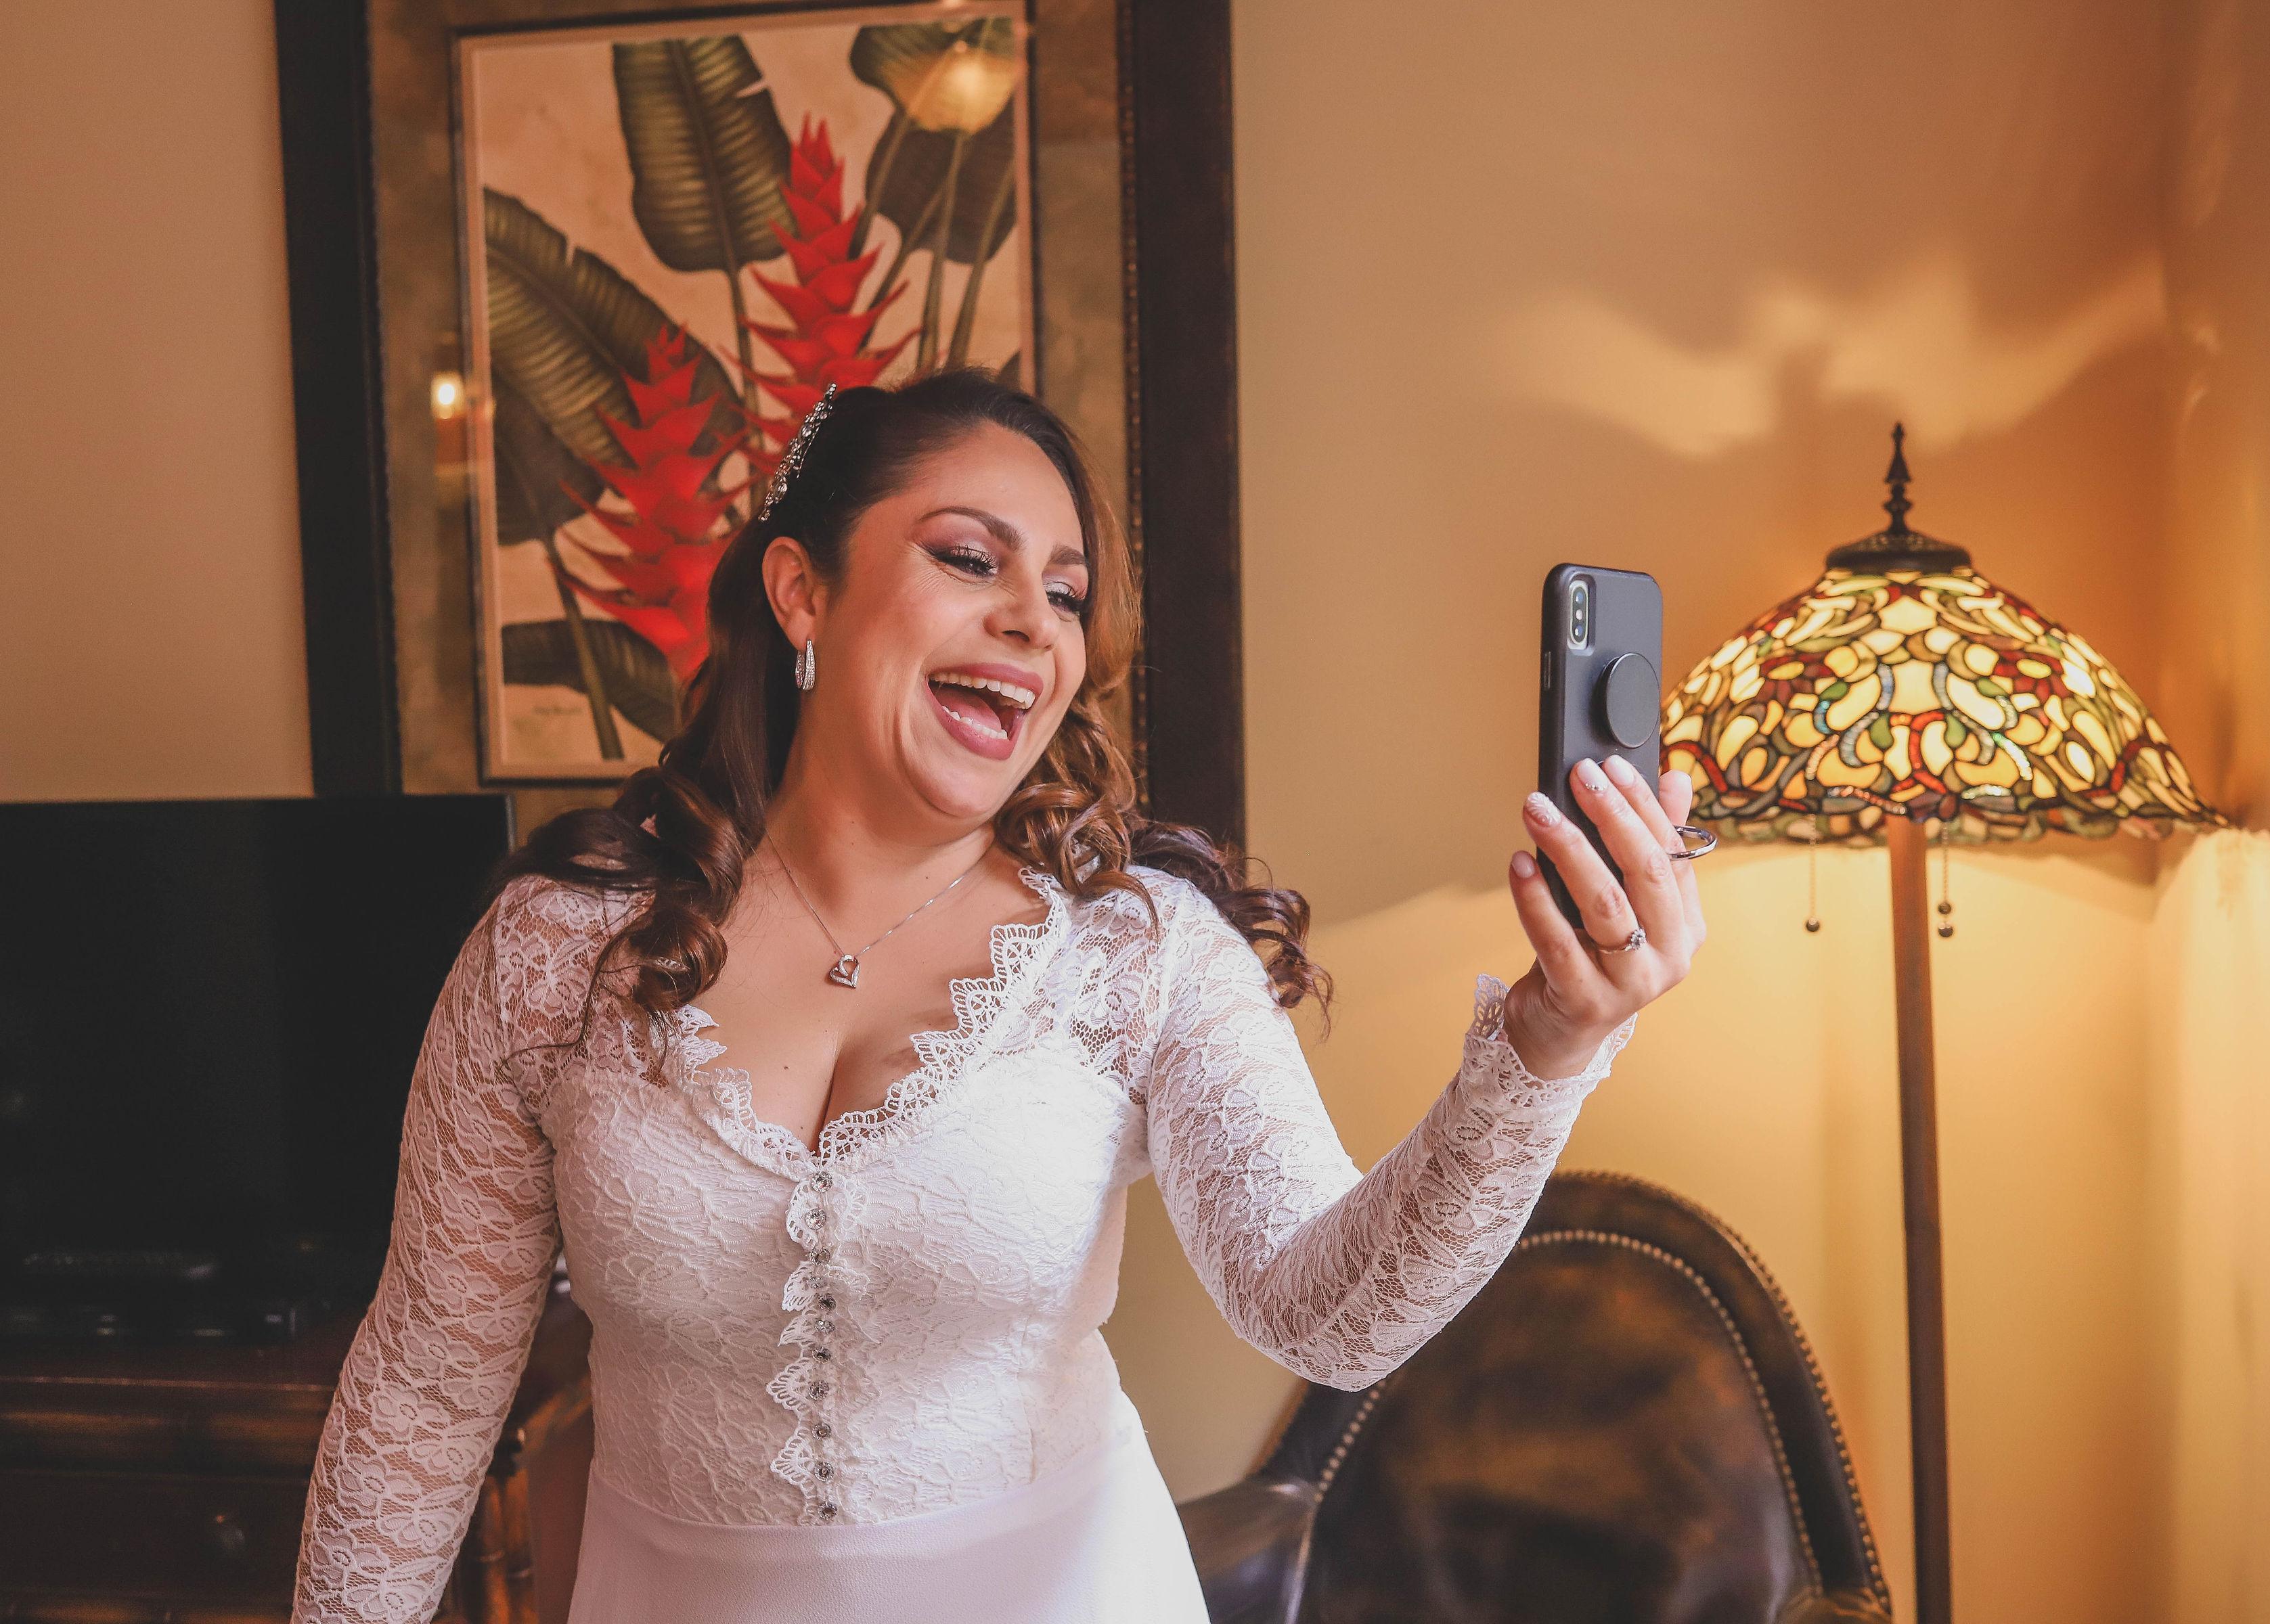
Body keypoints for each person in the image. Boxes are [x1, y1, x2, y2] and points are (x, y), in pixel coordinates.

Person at [292, 369, 1706, 1623]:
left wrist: (1545, 1048)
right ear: (802, 593)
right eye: (971, 558)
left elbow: (1329, 1318)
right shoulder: (553, 955)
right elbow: (423, 1394)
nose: (1034, 621)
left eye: (1069, 595)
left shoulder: (1141, 952)